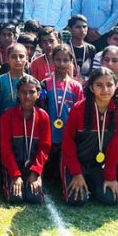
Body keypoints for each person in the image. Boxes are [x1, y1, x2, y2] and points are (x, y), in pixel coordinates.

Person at [61, 68, 118, 206]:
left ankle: (92, 183)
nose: (105, 89)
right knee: (76, 200)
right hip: (76, 161)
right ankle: (78, 180)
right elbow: (68, 143)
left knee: (110, 199)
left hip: (99, 164)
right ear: (92, 88)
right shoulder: (78, 109)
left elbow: (116, 145)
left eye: (109, 85)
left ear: (116, 85)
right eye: (99, 85)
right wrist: (76, 173)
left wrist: (110, 177)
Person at [0, 75, 51, 204]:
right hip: (13, 166)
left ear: (38, 94)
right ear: (18, 93)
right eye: (23, 92)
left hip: (33, 166)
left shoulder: (43, 117)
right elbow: (6, 149)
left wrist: (35, 172)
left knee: (34, 198)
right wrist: (15, 175)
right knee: (15, 198)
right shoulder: (8, 116)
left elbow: (44, 149)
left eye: (32, 92)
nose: (27, 96)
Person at [39, 44, 84, 179]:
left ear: (71, 62)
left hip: (67, 133)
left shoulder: (76, 86)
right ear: (52, 60)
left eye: (65, 60)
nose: (61, 64)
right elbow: (41, 108)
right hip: (48, 132)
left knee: (62, 172)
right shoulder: (45, 84)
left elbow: (79, 111)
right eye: (58, 60)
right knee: (49, 172)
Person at [0, 43, 29, 119]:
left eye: (21, 56)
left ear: (27, 58)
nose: (18, 60)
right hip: (4, 123)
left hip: (25, 124)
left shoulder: (31, 81)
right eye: (14, 57)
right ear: (7, 59)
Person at [67, 15, 96, 82]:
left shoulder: (91, 48)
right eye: (78, 27)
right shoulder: (65, 47)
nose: (82, 30)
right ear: (69, 29)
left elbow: (92, 71)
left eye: (84, 27)